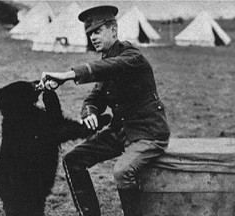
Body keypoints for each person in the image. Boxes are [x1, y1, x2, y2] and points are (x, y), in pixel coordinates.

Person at [40, 5, 170, 216]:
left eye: (98, 31)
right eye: (90, 33)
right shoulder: (107, 62)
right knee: (73, 160)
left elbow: (110, 68)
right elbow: (95, 97)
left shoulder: (132, 57)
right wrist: (89, 112)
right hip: (122, 131)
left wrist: (68, 75)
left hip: (149, 134)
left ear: (114, 31)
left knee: (122, 171)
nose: (93, 37)